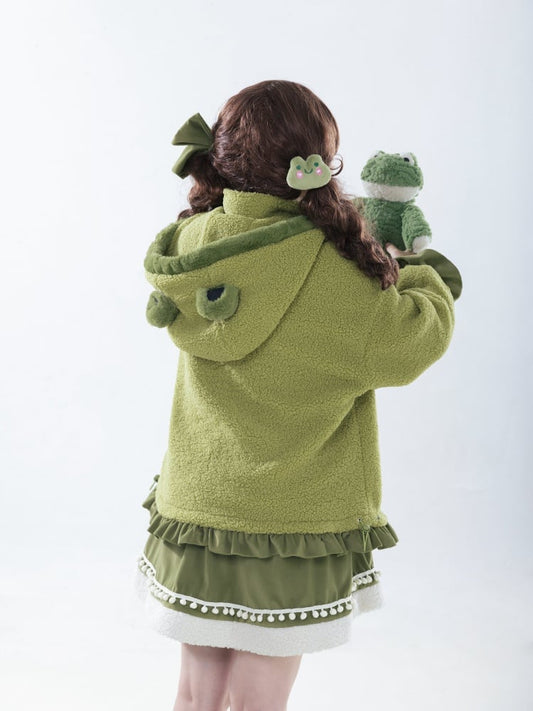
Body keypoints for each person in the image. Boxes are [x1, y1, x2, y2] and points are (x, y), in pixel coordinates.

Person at [134, 79, 463, 711]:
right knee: (261, 703)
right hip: (286, 529)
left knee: (195, 700)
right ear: (313, 165)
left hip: (197, 513)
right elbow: (410, 341)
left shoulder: (194, 243)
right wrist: (423, 272)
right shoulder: (334, 271)